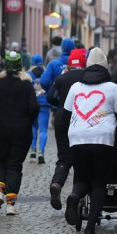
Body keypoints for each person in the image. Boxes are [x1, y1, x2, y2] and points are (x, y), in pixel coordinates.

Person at [63, 48, 117, 234]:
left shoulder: (75, 87)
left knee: (83, 179)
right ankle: (90, 230)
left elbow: (64, 116)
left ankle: (75, 196)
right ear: (106, 67)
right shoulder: (113, 89)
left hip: (77, 138)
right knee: (99, 183)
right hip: (103, 140)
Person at [0, 52, 38, 216]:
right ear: (21, 65)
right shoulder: (26, 85)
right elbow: (34, 108)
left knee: (0, 160)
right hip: (21, 131)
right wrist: (26, 119)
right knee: (14, 165)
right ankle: (11, 204)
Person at [45, 48, 88, 210]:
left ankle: (57, 183)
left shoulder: (61, 78)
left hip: (61, 119)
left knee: (64, 157)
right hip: (79, 119)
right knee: (81, 158)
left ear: (69, 63)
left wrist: (59, 107)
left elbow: (50, 96)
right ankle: (75, 196)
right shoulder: (86, 78)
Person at [28, 54, 52, 164]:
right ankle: (41, 151)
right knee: (43, 130)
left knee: (33, 127)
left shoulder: (29, 75)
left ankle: (33, 148)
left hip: (33, 104)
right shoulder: (47, 73)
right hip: (45, 105)